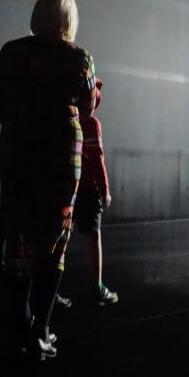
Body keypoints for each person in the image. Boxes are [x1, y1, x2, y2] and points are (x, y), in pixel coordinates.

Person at [0, 0, 96, 359]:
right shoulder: (80, 58)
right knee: (56, 236)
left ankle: (19, 325)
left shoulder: (12, 51)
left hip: (19, 149)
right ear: (69, 19)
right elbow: (87, 109)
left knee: (18, 233)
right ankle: (43, 330)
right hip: (63, 154)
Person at [70, 76, 120, 305]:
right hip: (87, 188)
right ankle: (97, 287)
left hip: (65, 185)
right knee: (93, 236)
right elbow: (98, 159)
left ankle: (47, 293)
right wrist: (105, 190)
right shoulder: (91, 123)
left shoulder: (64, 118)